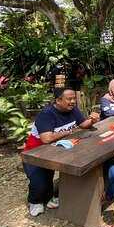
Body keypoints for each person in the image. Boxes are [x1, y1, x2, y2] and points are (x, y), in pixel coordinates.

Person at [23, 87, 100, 217]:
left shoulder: (72, 109)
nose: (73, 102)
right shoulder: (46, 114)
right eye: (69, 99)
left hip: (57, 149)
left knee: (74, 168)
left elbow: (83, 124)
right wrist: (68, 131)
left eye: (74, 99)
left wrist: (92, 120)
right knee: (40, 182)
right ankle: (34, 201)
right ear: (58, 100)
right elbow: (46, 138)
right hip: (35, 153)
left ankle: (53, 196)